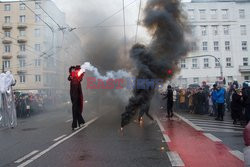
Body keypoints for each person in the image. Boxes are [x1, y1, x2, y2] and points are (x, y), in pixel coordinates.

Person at [68, 65, 85, 130]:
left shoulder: (77, 75)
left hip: (75, 93)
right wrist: (71, 77)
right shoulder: (73, 75)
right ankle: (79, 122)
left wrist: (73, 77)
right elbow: (69, 78)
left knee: (75, 108)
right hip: (75, 93)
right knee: (76, 108)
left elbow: (80, 79)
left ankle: (77, 123)